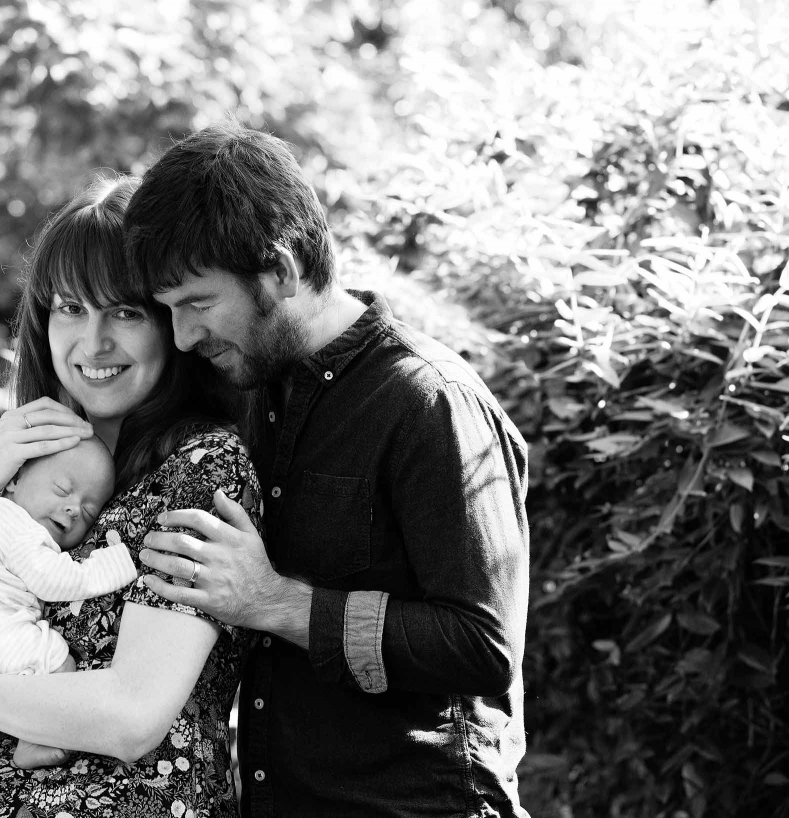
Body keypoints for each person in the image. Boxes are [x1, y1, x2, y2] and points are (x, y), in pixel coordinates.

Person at [124, 123, 531, 817]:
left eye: (197, 303)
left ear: (280, 271)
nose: (185, 336)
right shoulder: (248, 392)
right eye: (169, 311)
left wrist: (275, 602)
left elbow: (481, 644)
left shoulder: (430, 401)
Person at [0, 175, 262, 818]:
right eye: (70, 307)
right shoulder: (29, 464)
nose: (93, 342)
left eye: (125, 312)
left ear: (174, 324)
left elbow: (131, 716)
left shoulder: (201, 469)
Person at [0, 436, 135, 793]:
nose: (73, 509)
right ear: (14, 480)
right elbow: (56, 581)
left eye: (88, 511)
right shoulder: (16, 525)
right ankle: (32, 741)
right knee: (57, 663)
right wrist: (115, 564)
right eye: (62, 489)